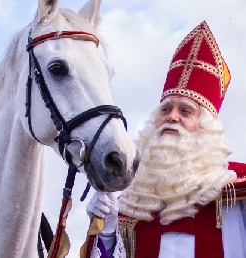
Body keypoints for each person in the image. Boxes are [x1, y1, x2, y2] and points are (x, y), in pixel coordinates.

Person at [84, 21, 246, 258]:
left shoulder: (237, 189)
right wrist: (106, 231)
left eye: (186, 111)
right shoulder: (132, 199)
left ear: (206, 128)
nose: (172, 116)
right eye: (166, 109)